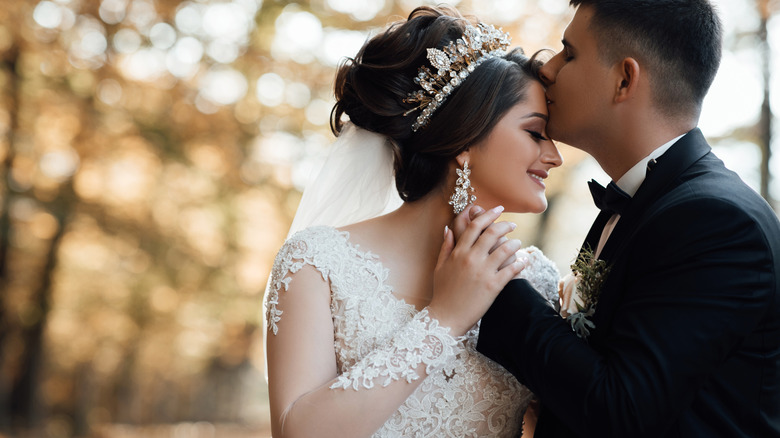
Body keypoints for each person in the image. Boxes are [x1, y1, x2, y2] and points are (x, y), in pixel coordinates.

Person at [441, 0, 780, 437]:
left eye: (569, 52)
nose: (548, 69)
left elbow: (620, 410)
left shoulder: (717, 221)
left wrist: (497, 287)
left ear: (624, 79)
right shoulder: (649, 203)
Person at [264, 6, 563, 438]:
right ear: (465, 138)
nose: (554, 155)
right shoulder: (316, 264)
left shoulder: (534, 277)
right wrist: (445, 318)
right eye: (535, 133)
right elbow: (298, 432)